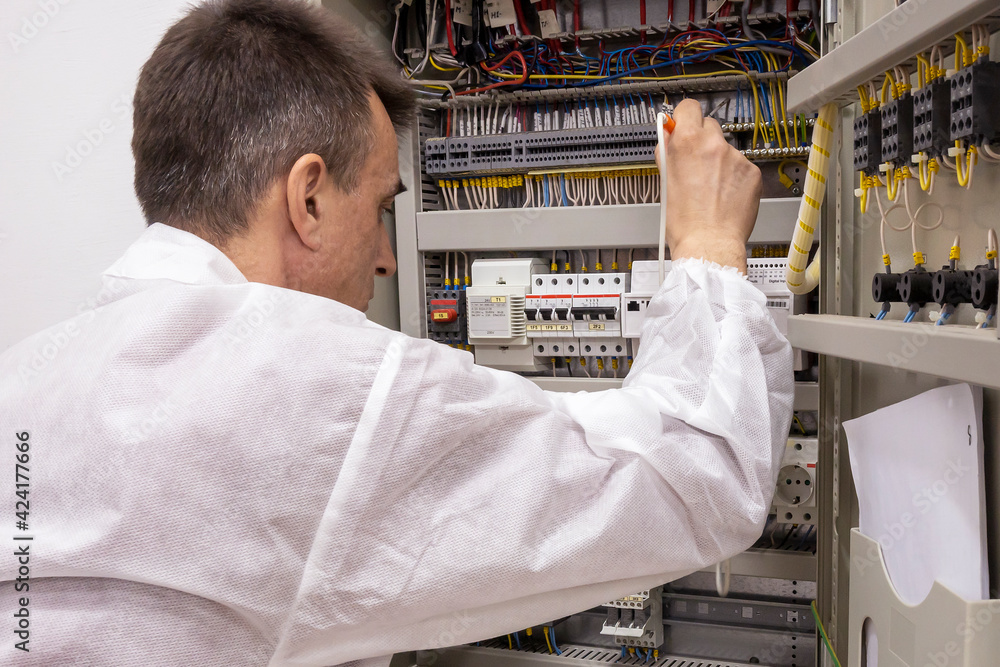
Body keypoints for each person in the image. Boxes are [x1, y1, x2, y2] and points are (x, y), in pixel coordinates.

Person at [0, 0, 793, 664]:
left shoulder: (28, 378)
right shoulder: (303, 387)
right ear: (309, 199)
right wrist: (708, 245)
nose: (386, 257)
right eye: (381, 206)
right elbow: (700, 476)